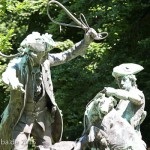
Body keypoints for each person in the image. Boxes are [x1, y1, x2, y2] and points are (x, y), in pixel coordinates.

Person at [0, 28, 98, 150]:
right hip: (22, 117)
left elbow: (67, 54)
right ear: (31, 53)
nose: (44, 57)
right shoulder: (18, 62)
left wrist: (86, 42)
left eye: (45, 54)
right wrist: (13, 81)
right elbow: (7, 74)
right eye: (41, 55)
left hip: (43, 118)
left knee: (49, 148)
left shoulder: (46, 60)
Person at [104, 63, 146, 138]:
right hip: (117, 134)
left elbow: (137, 99)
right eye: (118, 81)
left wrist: (114, 91)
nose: (121, 83)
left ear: (131, 80)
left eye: (124, 80)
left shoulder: (138, 93)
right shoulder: (122, 100)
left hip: (130, 137)